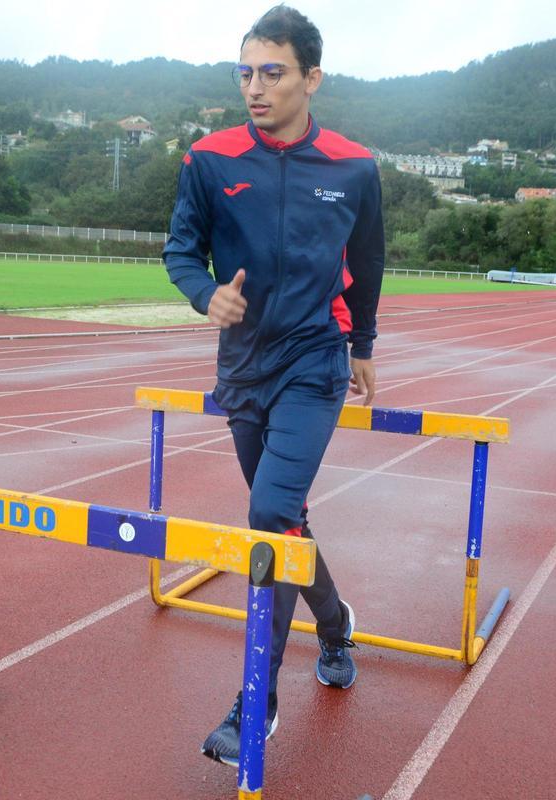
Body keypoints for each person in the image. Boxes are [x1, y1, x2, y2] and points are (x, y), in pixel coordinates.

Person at [162, 4, 385, 768]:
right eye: (246, 72)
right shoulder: (209, 159)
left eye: (273, 72)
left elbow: (371, 263)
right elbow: (181, 251)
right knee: (284, 523)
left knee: (268, 515)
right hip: (244, 369)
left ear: (311, 78)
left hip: (315, 364)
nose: (255, 87)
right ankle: (334, 622)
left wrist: (361, 344)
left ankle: (255, 702)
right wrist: (205, 294)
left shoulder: (355, 167)